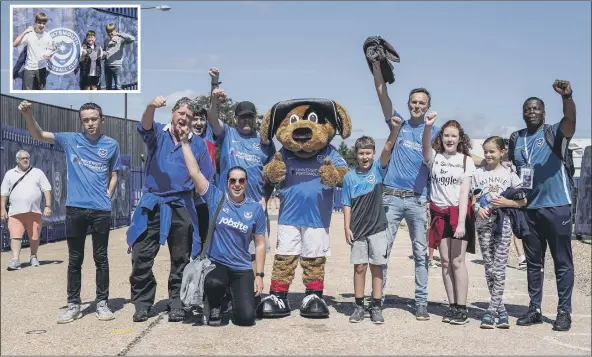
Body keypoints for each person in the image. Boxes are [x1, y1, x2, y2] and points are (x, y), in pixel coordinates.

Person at [19, 100, 121, 324]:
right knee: (75, 259)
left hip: (101, 210)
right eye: (86, 120)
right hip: (75, 209)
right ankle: (74, 304)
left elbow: (114, 174)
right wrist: (28, 115)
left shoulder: (112, 144)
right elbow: (39, 135)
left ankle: (102, 303)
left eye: (94, 119)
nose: (90, 123)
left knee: (101, 258)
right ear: (81, 122)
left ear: (102, 120)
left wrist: (107, 195)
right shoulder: (70, 140)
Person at [126, 96, 214, 323]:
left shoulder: (199, 145)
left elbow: (203, 179)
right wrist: (150, 106)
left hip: (181, 205)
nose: (184, 118)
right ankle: (143, 303)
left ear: (193, 120)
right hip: (153, 203)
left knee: (181, 258)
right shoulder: (158, 133)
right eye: (181, 113)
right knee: (141, 254)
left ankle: (178, 302)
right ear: (173, 114)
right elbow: (144, 125)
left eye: (189, 115)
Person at [370, 60, 439, 320]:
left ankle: (421, 301)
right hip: (391, 195)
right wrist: (376, 67)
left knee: (421, 253)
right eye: (414, 102)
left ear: (428, 107)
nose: (417, 105)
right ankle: (378, 299)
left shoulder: (435, 131)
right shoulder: (398, 123)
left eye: (422, 102)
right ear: (409, 103)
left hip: (417, 200)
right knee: (382, 250)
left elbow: (456, 153)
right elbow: (382, 95)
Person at [180, 126, 266, 326]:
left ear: (246, 183)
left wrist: (259, 275)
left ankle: (232, 297)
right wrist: (184, 143)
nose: (237, 184)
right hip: (217, 264)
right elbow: (194, 172)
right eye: (233, 180)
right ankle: (216, 302)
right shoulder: (216, 198)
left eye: (241, 181)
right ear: (227, 182)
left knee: (245, 319)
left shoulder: (254, 209)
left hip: (242, 266)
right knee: (214, 282)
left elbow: (260, 244)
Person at [508, 80, 576, 332]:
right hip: (529, 209)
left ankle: (563, 312)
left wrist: (567, 98)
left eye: (537, 108)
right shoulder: (516, 138)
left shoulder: (554, 132)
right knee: (534, 263)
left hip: (557, 207)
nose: (532, 112)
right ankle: (534, 308)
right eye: (528, 109)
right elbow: (510, 168)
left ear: (544, 113)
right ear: (523, 113)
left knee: (562, 262)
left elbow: (569, 121)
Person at [206, 67, 275, 270]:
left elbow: (273, 175)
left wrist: (266, 197)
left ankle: (253, 295)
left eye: (250, 117)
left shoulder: (265, 142)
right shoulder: (227, 134)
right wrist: (215, 85)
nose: (247, 121)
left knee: (254, 254)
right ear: (235, 118)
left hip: (254, 206)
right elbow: (211, 115)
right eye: (242, 117)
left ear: (255, 118)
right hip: (227, 205)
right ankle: (227, 298)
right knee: (226, 252)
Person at [343, 123, 401, 324]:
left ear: (373, 154)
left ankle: (376, 306)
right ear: (356, 154)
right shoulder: (349, 177)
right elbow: (346, 204)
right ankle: (359, 306)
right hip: (358, 230)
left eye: (368, 153)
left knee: (377, 267)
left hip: (377, 228)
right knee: (359, 268)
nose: (365, 157)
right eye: (361, 153)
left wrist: (395, 129)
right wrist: (346, 227)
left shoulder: (378, 169)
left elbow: (388, 147)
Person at [422, 115, 476, 325]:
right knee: (444, 261)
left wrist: (462, 222)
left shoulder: (465, 160)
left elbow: (465, 193)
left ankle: (462, 307)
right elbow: (425, 145)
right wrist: (428, 127)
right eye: (446, 135)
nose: (450, 139)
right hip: (439, 214)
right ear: (441, 137)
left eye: (454, 136)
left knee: (457, 261)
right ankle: (452, 305)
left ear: (460, 138)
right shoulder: (434, 157)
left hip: (458, 214)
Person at [472, 136, 527, 329]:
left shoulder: (510, 174)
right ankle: (501, 310)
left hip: (503, 224)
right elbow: (473, 197)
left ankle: (490, 311)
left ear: (501, 152)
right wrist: (476, 208)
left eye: (492, 151)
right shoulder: (478, 173)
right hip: (483, 223)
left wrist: (508, 203)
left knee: (499, 267)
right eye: (485, 151)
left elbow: (523, 201)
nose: (488, 155)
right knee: (489, 267)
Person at [1, 150, 52, 270]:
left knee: (34, 236)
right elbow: (4, 193)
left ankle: (33, 256)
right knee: (15, 236)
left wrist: (48, 206)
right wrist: (2, 209)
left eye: (27, 158)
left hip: (33, 211)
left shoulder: (37, 172)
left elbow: (47, 189)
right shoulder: (10, 174)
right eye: (23, 158)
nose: (25, 160)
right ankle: (15, 260)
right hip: (15, 212)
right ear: (17, 160)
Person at [12, 12, 56, 90]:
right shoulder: (29, 34)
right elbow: (15, 44)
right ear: (35, 22)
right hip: (29, 69)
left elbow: (50, 50)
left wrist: (49, 55)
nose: (41, 25)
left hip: (41, 68)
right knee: (27, 93)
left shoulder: (48, 36)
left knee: (42, 93)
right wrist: (25, 32)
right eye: (39, 23)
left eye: (44, 23)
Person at [103, 23, 135, 90]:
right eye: (108, 32)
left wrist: (119, 34)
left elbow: (132, 39)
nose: (110, 33)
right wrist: (102, 55)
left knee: (118, 87)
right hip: (107, 66)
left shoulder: (120, 39)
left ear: (114, 30)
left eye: (111, 31)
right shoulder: (106, 40)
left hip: (116, 66)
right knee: (108, 87)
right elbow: (104, 51)